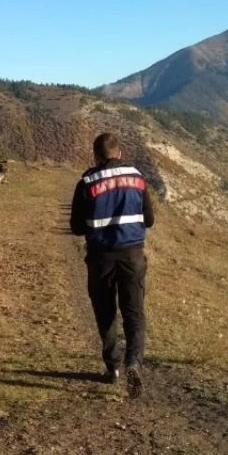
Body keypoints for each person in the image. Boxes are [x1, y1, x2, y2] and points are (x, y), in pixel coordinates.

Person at [70, 132, 155, 398]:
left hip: (100, 257)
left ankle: (113, 367)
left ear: (95, 156)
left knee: (105, 312)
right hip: (132, 255)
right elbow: (149, 219)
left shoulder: (86, 183)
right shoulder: (138, 178)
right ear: (119, 153)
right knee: (134, 312)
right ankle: (134, 361)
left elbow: (75, 227)